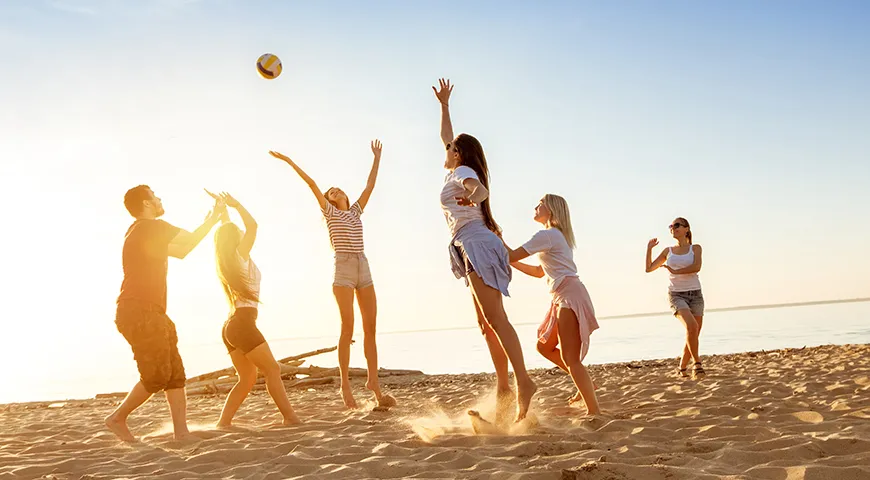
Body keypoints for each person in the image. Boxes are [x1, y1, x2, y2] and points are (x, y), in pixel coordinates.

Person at [433, 78, 537, 422]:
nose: (446, 150)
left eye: (451, 148)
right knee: (485, 323)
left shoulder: (462, 170)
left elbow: (477, 191)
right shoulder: (454, 167)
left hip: (477, 243)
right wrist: (445, 106)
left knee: (496, 319)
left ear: (458, 154)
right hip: (468, 245)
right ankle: (504, 386)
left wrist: (473, 195)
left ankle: (522, 383)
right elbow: (447, 137)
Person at [268, 141, 396, 409]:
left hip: (363, 265)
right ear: (328, 201)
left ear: (346, 197)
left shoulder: (355, 211)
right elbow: (312, 184)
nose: (333, 190)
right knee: (347, 328)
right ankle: (345, 386)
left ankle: (374, 384)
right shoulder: (330, 213)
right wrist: (290, 162)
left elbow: (370, 185)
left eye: (337, 189)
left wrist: (377, 157)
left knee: (370, 328)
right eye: (330, 192)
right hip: (344, 270)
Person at [106, 185, 225, 442]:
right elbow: (190, 240)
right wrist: (214, 218)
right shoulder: (151, 227)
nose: (160, 200)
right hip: (140, 310)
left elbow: (182, 250)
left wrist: (209, 221)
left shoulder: (140, 232)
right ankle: (117, 418)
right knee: (156, 376)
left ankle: (181, 433)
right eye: (155, 196)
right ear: (147, 204)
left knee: (175, 374)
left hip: (150, 311)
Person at [209, 191, 302, 427]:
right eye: (238, 233)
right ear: (235, 240)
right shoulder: (240, 255)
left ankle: (223, 423)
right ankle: (290, 418)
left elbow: (228, 230)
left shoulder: (229, 259)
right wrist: (236, 204)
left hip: (231, 326)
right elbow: (253, 225)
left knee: (247, 378)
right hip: (242, 324)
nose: (242, 232)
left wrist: (223, 209)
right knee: (272, 370)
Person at [502, 194, 600, 415]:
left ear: (551, 210)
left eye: (540, 204)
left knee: (571, 359)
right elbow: (539, 272)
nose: (535, 207)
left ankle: (594, 411)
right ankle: (588, 384)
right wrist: (511, 260)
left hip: (569, 295)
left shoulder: (547, 235)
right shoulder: (555, 237)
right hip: (561, 295)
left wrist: (496, 237)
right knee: (544, 346)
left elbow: (509, 254)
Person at [645, 217, 706, 379]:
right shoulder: (668, 251)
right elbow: (649, 268)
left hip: (696, 294)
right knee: (691, 326)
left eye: (677, 225)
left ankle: (682, 367)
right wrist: (649, 249)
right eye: (671, 226)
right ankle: (697, 364)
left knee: (693, 333)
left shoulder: (696, 248)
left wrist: (675, 271)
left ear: (686, 229)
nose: (673, 228)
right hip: (676, 295)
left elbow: (696, 267)